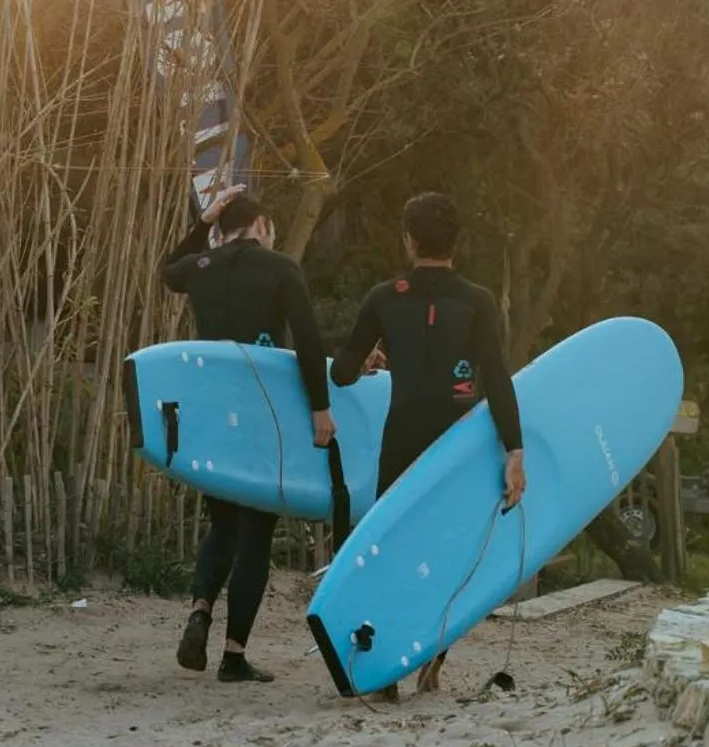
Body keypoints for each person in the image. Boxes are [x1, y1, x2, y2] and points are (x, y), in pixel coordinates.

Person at [330, 191, 525, 695]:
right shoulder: (477, 301)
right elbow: (498, 381)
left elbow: (343, 372)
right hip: (455, 444)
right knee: (448, 554)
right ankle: (432, 662)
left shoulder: (383, 297)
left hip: (402, 439)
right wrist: (515, 452)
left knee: (391, 548)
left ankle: (383, 668)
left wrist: (373, 357)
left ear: (409, 240)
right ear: (456, 243)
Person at [161, 186, 335, 682]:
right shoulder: (280, 268)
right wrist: (320, 407)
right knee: (256, 530)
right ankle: (233, 656)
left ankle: (199, 610)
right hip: (261, 417)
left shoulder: (204, 267)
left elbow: (169, 270)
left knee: (222, 524)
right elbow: (307, 339)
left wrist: (203, 221)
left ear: (224, 227)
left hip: (211, 415)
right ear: (261, 225)